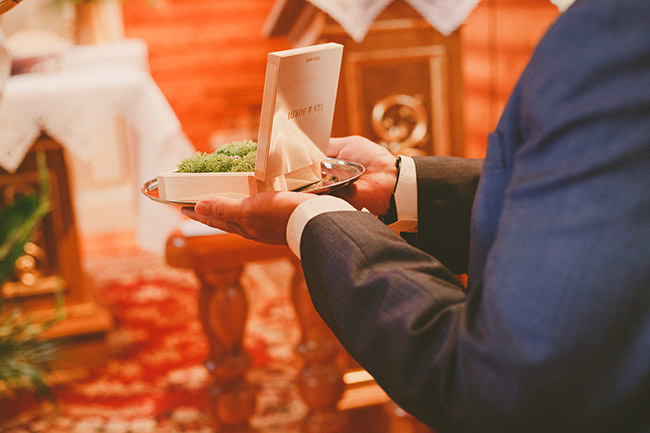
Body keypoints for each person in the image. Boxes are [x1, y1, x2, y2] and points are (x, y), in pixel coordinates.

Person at [182, 0, 650, 431]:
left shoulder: (616, 31)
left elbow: (503, 388)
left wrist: (317, 221)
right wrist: (402, 186)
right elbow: (609, 204)